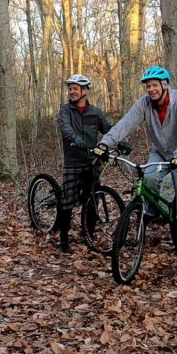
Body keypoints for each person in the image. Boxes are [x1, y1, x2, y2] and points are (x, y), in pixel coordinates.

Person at [93, 65, 177, 264]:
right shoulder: (144, 104)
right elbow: (125, 124)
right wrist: (104, 143)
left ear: (165, 85)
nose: (151, 89)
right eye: (148, 86)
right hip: (160, 152)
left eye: (154, 85)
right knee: (149, 176)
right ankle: (150, 210)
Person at [56, 74, 112, 253]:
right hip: (73, 161)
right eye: (70, 88)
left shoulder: (95, 112)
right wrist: (76, 139)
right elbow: (66, 128)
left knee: (92, 199)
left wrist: (121, 141)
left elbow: (109, 130)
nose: (71, 91)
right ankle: (64, 240)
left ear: (85, 91)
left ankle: (89, 235)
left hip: (92, 161)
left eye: (75, 88)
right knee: (67, 200)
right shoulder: (65, 110)